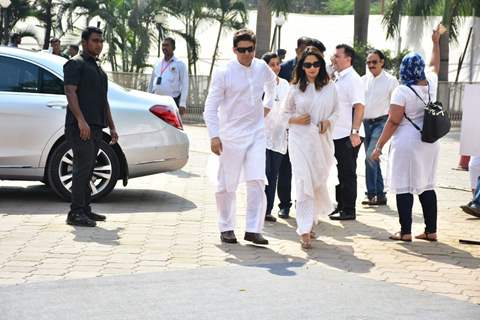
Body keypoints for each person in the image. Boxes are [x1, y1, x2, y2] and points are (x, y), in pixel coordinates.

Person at [203, 29, 276, 245]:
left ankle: (253, 229)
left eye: (250, 49)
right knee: (227, 184)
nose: (247, 54)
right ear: (234, 50)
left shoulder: (262, 67)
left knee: (256, 180)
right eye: (242, 50)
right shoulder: (224, 72)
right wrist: (214, 136)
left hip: (256, 133)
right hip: (230, 136)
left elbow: (273, 85)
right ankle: (226, 228)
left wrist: (267, 106)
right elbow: (210, 107)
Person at [371, 27, 442, 242]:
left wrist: (379, 146)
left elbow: (393, 121)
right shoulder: (430, 83)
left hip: (408, 142)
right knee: (426, 184)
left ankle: (405, 232)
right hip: (430, 141)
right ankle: (431, 231)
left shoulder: (401, 91)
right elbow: (434, 64)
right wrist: (435, 42)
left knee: (404, 186)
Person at [283, 47, 338, 249]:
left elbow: (336, 112)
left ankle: (310, 220)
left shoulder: (330, 87)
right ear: (302, 66)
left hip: (321, 143)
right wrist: (296, 119)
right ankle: (304, 230)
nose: (312, 68)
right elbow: (283, 115)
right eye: (307, 64)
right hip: (299, 141)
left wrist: (328, 122)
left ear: (321, 65)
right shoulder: (295, 87)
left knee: (316, 183)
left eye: (316, 64)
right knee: (303, 182)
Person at [63, 27, 118, 227]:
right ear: (84, 42)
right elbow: (70, 92)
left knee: (88, 170)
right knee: (80, 169)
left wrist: (111, 127)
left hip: (96, 127)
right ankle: (75, 213)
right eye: (95, 41)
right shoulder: (75, 64)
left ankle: (85, 209)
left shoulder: (97, 69)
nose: (99, 44)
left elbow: (104, 100)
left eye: (101, 41)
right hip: (80, 128)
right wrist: (81, 120)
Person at [274, 36, 311, 219]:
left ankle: (303, 203)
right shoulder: (285, 68)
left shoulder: (314, 69)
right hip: (288, 125)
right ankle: (284, 204)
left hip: (308, 128)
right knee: (286, 168)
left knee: (304, 169)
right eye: (303, 50)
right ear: (297, 50)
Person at [329, 44, 365, 221]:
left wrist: (355, 131)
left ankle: (349, 209)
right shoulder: (339, 77)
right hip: (337, 133)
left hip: (348, 133)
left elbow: (359, 106)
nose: (334, 58)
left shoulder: (353, 79)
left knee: (348, 172)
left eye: (337, 56)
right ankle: (341, 205)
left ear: (348, 58)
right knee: (341, 171)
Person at [361, 49, 399, 206]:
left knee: (370, 156)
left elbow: (396, 105)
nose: (371, 65)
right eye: (369, 62)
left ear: (382, 62)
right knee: (374, 158)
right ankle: (381, 194)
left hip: (381, 123)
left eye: (374, 62)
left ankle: (371, 194)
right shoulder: (363, 80)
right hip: (365, 123)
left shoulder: (391, 81)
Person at [262, 52, 290, 222]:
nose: (276, 67)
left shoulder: (286, 84)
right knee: (263, 174)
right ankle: (260, 209)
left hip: (279, 135)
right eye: (271, 64)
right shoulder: (260, 84)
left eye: (277, 64)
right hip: (262, 135)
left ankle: (268, 210)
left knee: (274, 175)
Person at [148, 37, 189, 116]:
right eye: (163, 45)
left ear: (173, 48)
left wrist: (182, 104)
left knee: (170, 127)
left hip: (172, 102)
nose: (164, 48)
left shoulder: (180, 64)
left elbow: (185, 84)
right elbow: (151, 82)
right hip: (156, 101)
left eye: (167, 45)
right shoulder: (157, 63)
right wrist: (148, 98)